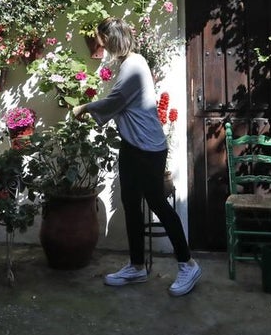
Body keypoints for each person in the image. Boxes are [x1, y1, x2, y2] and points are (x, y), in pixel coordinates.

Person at [72, 17, 201, 296]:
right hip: (133, 146)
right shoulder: (130, 63)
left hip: (148, 149)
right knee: (130, 204)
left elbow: (115, 101)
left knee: (157, 204)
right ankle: (137, 266)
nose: (101, 46)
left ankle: (187, 263)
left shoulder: (133, 66)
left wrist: (83, 107)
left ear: (113, 40)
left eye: (103, 41)